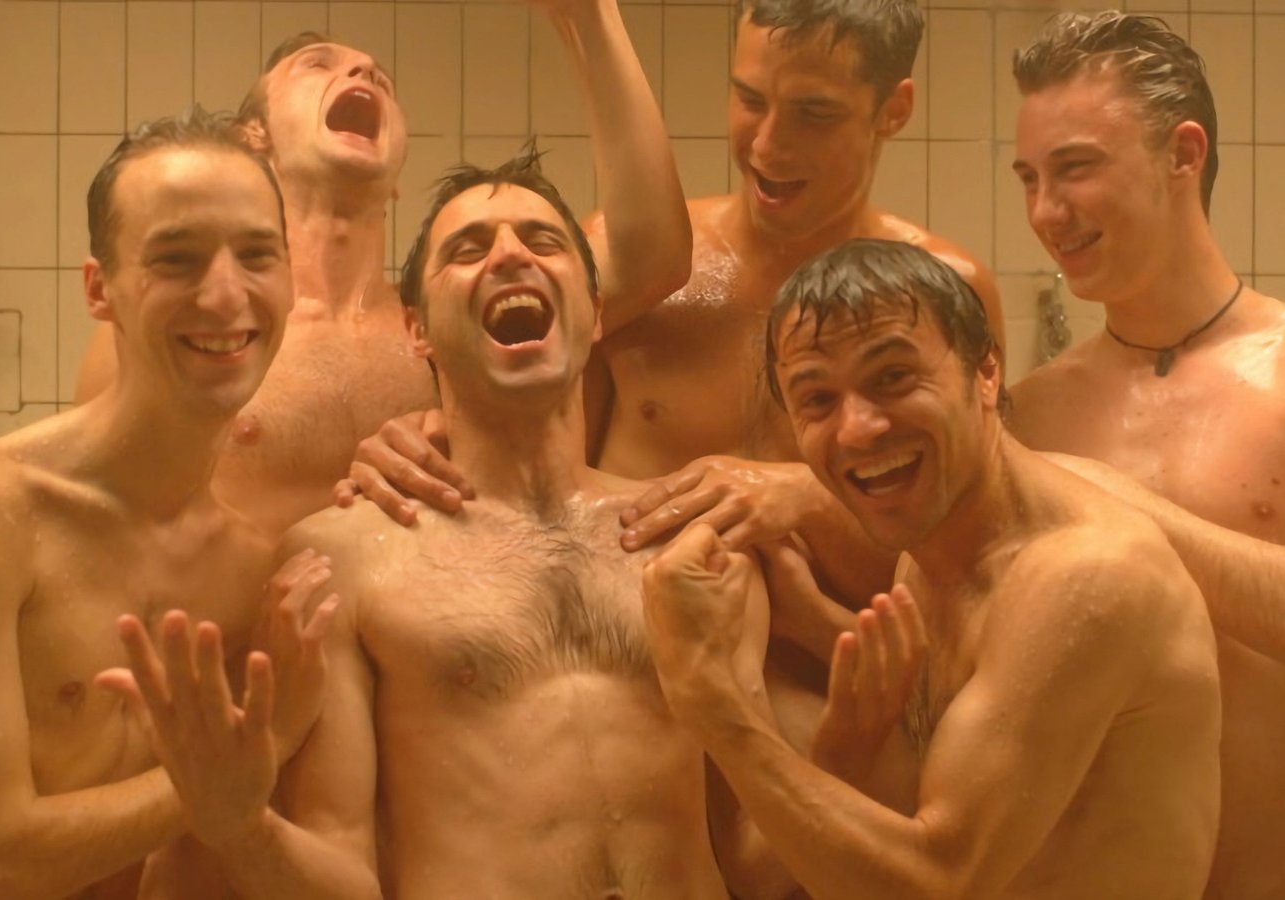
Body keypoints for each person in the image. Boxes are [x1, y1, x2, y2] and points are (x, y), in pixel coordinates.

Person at [101, 149, 769, 899]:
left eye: (542, 240)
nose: (510, 255)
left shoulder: (690, 547)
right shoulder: (342, 562)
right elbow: (345, 871)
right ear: (417, 330)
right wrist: (240, 830)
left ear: (596, 313)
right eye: (468, 249)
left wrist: (849, 746)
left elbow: (752, 853)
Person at [347, 0, 1000, 600]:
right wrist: (413, 436)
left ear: (894, 109)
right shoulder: (641, 285)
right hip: (637, 666)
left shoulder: (945, 291)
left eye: (815, 113)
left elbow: (987, 530)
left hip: (849, 666)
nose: (767, 144)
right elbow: (524, 450)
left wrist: (810, 492)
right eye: (749, 100)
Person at [642, 238, 1222, 899]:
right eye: (817, 399)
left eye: (892, 378)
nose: (857, 429)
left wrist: (711, 700)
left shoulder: (1085, 577)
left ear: (986, 373)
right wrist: (836, 703)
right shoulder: (931, 559)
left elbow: (938, 881)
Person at [1004, 12, 1285, 898]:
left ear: (1183, 154)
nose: (1046, 211)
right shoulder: (1031, 414)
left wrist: (1102, 497)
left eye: (1075, 168)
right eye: (1030, 178)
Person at [0, 110, 332, 900]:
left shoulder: (251, 568)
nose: (226, 293)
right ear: (99, 289)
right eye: (176, 260)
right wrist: (265, 747)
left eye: (258, 255)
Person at [78, 0, 688, 535]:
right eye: (317, 65)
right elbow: (102, 515)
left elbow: (650, 258)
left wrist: (589, 14)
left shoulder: (448, 325)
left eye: (382, 79)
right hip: (233, 632)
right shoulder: (188, 328)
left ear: (397, 177)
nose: (363, 73)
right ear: (251, 137)